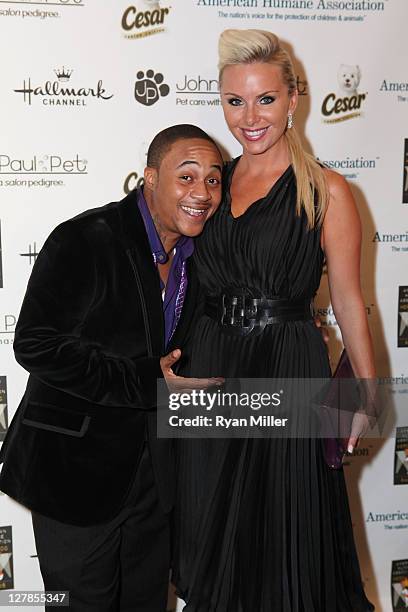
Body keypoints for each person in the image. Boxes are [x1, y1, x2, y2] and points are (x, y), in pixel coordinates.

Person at [172, 30, 376, 611]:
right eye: (235, 101)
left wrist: (364, 392)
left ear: (293, 99)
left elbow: (347, 298)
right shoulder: (211, 185)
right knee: (206, 525)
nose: (249, 116)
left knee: (281, 530)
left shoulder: (328, 192)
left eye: (265, 99)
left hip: (285, 367)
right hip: (208, 366)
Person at [0, 124, 224, 611]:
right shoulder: (86, 238)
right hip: (74, 473)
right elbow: (35, 344)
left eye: (212, 180)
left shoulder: (198, 255)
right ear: (149, 177)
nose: (201, 193)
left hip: (155, 479)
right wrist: (144, 380)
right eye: (186, 177)